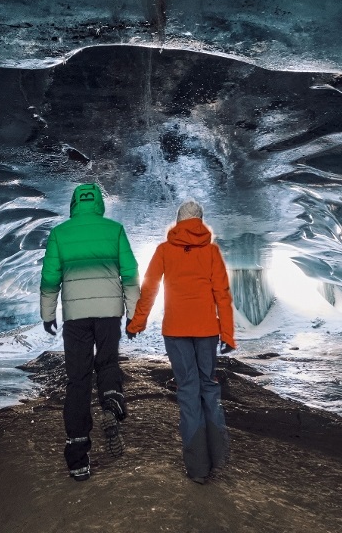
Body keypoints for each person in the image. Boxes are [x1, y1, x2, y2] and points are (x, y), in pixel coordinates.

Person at [125, 200, 236, 484]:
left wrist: (137, 323)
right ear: (200, 221)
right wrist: (227, 334)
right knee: (209, 388)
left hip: (175, 330)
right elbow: (222, 293)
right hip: (207, 330)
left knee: (188, 391)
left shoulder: (164, 250)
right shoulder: (211, 252)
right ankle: (219, 457)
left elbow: (149, 288)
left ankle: (198, 468)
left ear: (178, 221)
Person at [40, 182, 140, 481]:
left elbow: (49, 277)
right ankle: (111, 398)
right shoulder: (115, 230)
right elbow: (130, 274)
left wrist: (48, 314)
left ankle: (78, 457)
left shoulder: (60, 233)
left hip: (76, 317)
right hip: (109, 313)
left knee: (78, 380)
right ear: (98, 204)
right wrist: (134, 315)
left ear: (74, 204)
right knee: (107, 362)